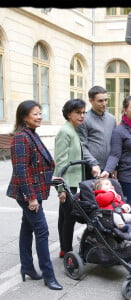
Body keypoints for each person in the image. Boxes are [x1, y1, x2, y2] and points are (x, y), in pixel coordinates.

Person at [6, 100, 63, 290]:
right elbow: (21, 170)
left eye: (40, 113)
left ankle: (27, 267)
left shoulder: (31, 134)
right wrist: (31, 198)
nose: (39, 116)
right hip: (27, 193)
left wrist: (51, 177)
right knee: (42, 231)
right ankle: (49, 276)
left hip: (34, 190)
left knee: (27, 228)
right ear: (24, 117)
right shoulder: (21, 137)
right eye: (35, 114)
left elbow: (35, 165)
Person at [54, 99, 86, 258]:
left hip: (72, 182)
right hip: (66, 183)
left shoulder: (74, 129)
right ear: (69, 114)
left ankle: (64, 248)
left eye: (83, 112)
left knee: (65, 216)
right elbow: (60, 162)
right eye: (78, 112)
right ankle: (66, 250)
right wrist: (61, 189)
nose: (82, 116)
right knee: (69, 217)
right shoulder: (65, 131)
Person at [77, 86, 116, 179]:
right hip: (92, 169)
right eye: (100, 101)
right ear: (91, 101)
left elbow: (116, 145)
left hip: (108, 169)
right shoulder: (83, 120)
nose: (104, 103)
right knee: (91, 193)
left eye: (106, 100)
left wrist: (114, 166)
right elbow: (82, 146)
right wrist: (93, 163)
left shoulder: (112, 119)